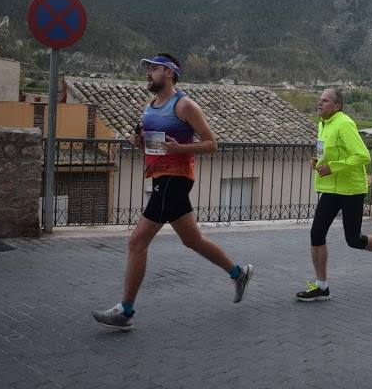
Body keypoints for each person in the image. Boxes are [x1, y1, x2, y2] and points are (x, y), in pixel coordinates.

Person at [92, 53, 253, 330]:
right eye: (149, 69)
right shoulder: (150, 106)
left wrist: (180, 149)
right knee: (192, 240)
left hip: (175, 178)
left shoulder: (185, 105)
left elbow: (211, 143)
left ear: (169, 72)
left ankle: (125, 310)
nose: (148, 73)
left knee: (137, 242)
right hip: (159, 175)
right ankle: (239, 273)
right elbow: (154, 148)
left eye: (153, 68)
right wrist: (139, 143)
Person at [296, 88, 372, 302]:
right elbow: (325, 152)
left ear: (337, 106)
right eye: (319, 100)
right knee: (316, 234)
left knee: (353, 240)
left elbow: (363, 156)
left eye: (325, 101)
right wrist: (319, 163)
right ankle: (322, 286)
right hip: (330, 189)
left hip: (351, 190)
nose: (319, 103)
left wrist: (334, 167)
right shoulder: (323, 124)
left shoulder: (344, 123)